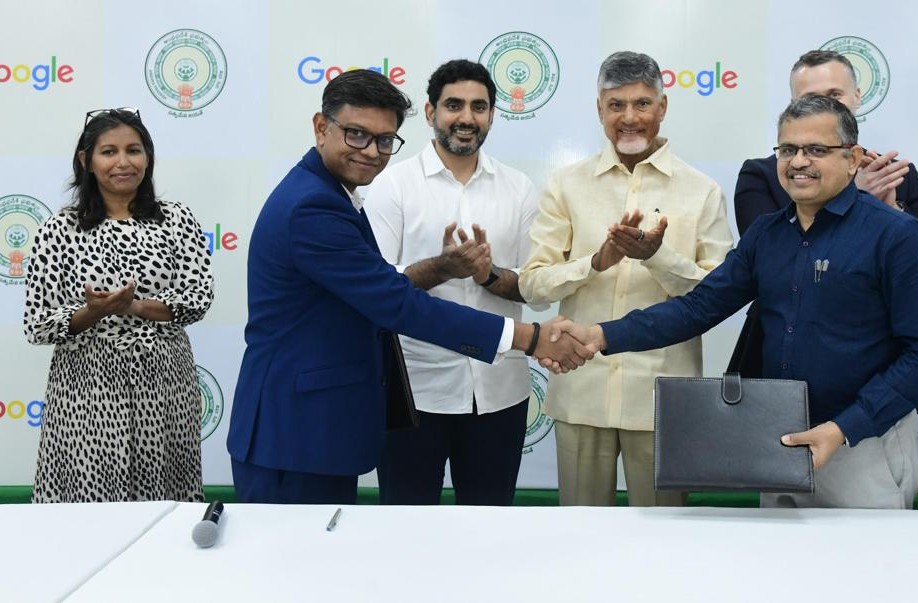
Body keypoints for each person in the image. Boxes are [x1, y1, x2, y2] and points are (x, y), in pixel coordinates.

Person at [560, 94, 918, 509]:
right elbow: (697, 308)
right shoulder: (767, 234)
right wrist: (600, 335)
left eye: (817, 150)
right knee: (776, 568)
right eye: (788, 149)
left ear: (853, 158)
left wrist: (843, 428)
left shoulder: (898, 236)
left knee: (865, 570)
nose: (799, 161)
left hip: (862, 443)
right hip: (777, 441)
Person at [227, 69, 592, 505]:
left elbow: (528, 282)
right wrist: (531, 337)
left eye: (384, 140)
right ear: (321, 127)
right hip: (294, 432)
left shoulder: (332, 193)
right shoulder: (314, 206)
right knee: (297, 564)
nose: (372, 152)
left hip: (318, 426)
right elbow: (395, 302)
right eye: (357, 135)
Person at [519, 51, 733, 507]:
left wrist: (658, 257)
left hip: (662, 401)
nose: (629, 117)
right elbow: (533, 287)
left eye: (641, 104)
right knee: (580, 537)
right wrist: (595, 262)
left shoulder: (703, 190)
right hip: (581, 390)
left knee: (663, 546)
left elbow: (719, 298)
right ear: (600, 109)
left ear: (662, 107)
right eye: (616, 105)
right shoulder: (566, 185)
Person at [366, 59, 542, 506]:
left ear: (492, 115)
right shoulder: (392, 185)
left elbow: (532, 287)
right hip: (414, 393)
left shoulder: (519, 188)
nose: (467, 118)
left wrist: (487, 275)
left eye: (479, 107)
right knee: (406, 525)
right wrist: (442, 268)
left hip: (500, 391)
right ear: (430, 113)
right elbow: (376, 289)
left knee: (489, 528)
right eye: (454, 106)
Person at [23, 107, 214, 503]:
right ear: (86, 161)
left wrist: (136, 307)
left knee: (163, 502)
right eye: (109, 152)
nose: (124, 162)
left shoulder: (176, 220)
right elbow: (37, 324)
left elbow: (197, 299)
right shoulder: (59, 229)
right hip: (86, 387)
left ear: (148, 156)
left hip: (165, 384)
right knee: (88, 505)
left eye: (134, 150)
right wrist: (91, 312)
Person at [733, 49, 918, 283]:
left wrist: (894, 211)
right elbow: (769, 270)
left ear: (857, 96)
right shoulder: (764, 175)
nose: (825, 107)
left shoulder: (892, 174)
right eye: (811, 99)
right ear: (793, 105)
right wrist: (856, 201)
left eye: (834, 95)